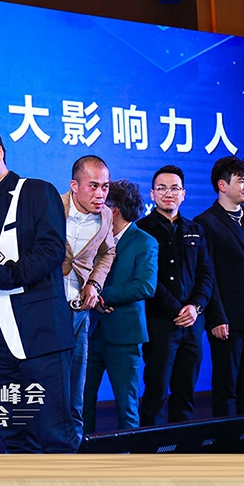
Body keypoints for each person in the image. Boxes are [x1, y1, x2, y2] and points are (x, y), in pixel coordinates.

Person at [0, 123, 76, 453]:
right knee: (13, 431)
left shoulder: (36, 192)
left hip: (40, 334)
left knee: (55, 433)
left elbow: (51, 251)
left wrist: (1, 276)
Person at [194, 156, 244, 416]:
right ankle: (226, 439)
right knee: (226, 389)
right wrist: (216, 317)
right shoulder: (205, 223)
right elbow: (207, 275)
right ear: (222, 185)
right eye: (241, 181)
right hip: (226, 320)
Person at [137, 165, 214, 425]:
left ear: (183, 194)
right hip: (159, 322)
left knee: (186, 391)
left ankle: (184, 444)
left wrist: (195, 307)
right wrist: (175, 309)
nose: (168, 193)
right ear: (152, 194)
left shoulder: (195, 229)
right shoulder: (141, 230)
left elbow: (206, 273)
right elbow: (147, 278)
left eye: (174, 188)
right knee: (156, 390)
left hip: (192, 323)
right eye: (162, 188)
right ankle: (152, 444)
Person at [83, 180, 157, 433]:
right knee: (81, 403)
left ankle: (128, 455)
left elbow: (145, 286)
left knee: (127, 408)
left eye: (102, 202)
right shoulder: (93, 236)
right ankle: (83, 451)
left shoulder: (144, 242)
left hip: (125, 337)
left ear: (113, 210)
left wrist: (101, 296)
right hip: (90, 333)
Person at [60, 155, 116, 448]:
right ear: (74, 185)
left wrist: (94, 283)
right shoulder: (51, 207)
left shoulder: (106, 216)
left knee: (75, 394)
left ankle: (73, 454)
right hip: (47, 311)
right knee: (44, 390)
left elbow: (108, 252)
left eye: (105, 186)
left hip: (80, 313)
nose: (100, 193)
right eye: (93, 186)